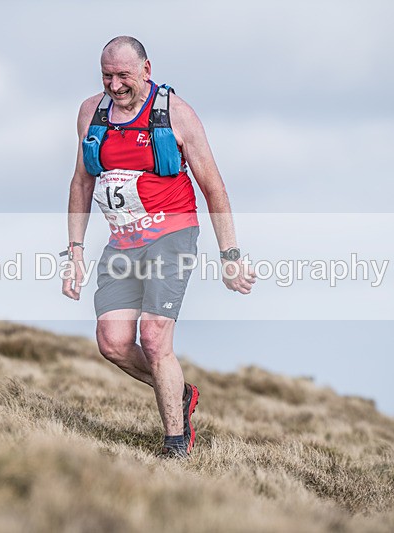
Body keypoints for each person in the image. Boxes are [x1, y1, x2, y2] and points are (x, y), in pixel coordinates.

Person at [62, 36, 255, 458]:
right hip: (123, 241)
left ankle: (175, 444)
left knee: (153, 337)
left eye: (123, 76)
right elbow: (82, 181)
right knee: (112, 341)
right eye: (107, 76)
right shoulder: (90, 113)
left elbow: (213, 187)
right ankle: (179, 392)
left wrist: (231, 256)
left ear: (146, 70)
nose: (114, 85)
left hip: (172, 235)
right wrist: (74, 251)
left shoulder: (176, 114)